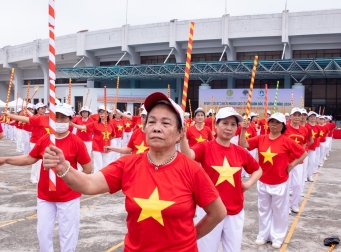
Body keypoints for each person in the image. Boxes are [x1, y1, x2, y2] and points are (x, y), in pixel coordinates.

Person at [43, 92, 226, 251]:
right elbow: (89, 184)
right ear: (145, 128)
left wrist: (191, 236)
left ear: (179, 133)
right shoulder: (128, 164)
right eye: (151, 121)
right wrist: (64, 168)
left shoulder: (191, 169)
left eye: (166, 123)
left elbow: (218, 212)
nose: (156, 127)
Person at [0, 103, 92, 251]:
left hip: (69, 196)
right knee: (43, 233)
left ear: (70, 120)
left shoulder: (76, 142)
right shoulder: (45, 139)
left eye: (63, 118)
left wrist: (75, 181)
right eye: (56, 118)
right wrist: (7, 159)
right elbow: (29, 158)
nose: (59, 121)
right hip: (45, 195)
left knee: (68, 234)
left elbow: (88, 168)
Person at [180, 107, 262, 252]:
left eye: (233, 124)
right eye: (225, 123)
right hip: (209, 211)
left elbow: (257, 170)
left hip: (234, 211)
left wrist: (247, 184)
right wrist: (183, 138)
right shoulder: (206, 147)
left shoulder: (240, 152)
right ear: (216, 125)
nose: (229, 128)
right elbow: (189, 155)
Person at [239, 112, 307, 249]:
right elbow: (244, 144)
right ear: (268, 124)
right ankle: (263, 235)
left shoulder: (287, 141)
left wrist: (292, 165)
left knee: (279, 210)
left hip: (280, 181)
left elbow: (303, 153)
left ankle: (278, 236)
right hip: (263, 180)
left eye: (277, 123)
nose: (273, 125)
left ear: (283, 126)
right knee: (263, 209)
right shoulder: (261, 138)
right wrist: (243, 129)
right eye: (271, 122)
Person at [6, 102, 49, 183]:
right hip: (35, 141)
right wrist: (11, 115)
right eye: (41, 108)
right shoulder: (36, 117)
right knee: (36, 160)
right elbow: (25, 119)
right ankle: (33, 177)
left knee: (42, 161)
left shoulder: (45, 118)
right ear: (37, 109)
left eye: (44, 108)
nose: (43, 110)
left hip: (44, 142)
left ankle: (39, 177)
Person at [71, 105, 115, 171]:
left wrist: (106, 140)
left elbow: (113, 135)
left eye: (103, 112)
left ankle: (104, 179)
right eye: (100, 112)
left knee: (106, 166)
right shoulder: (95, 123)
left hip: (106, 148)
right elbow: (83, 127)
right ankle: (96, 180)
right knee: (98, 166)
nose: (102, 114)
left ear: (108, 114)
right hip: (97, 148)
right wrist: (72, 124)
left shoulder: (110, 125)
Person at [285, 107, 312, 213]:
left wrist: (299, 155)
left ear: (301, 117)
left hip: (298, 161)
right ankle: (286, 206)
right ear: (290, 116)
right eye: (294, 115)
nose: (296, 117)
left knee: (297, 184)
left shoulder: (304, 129)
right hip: (286, 161)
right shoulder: (285, 128)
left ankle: (294, 204)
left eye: (298, 115)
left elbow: (305, 143)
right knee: (286, 185)